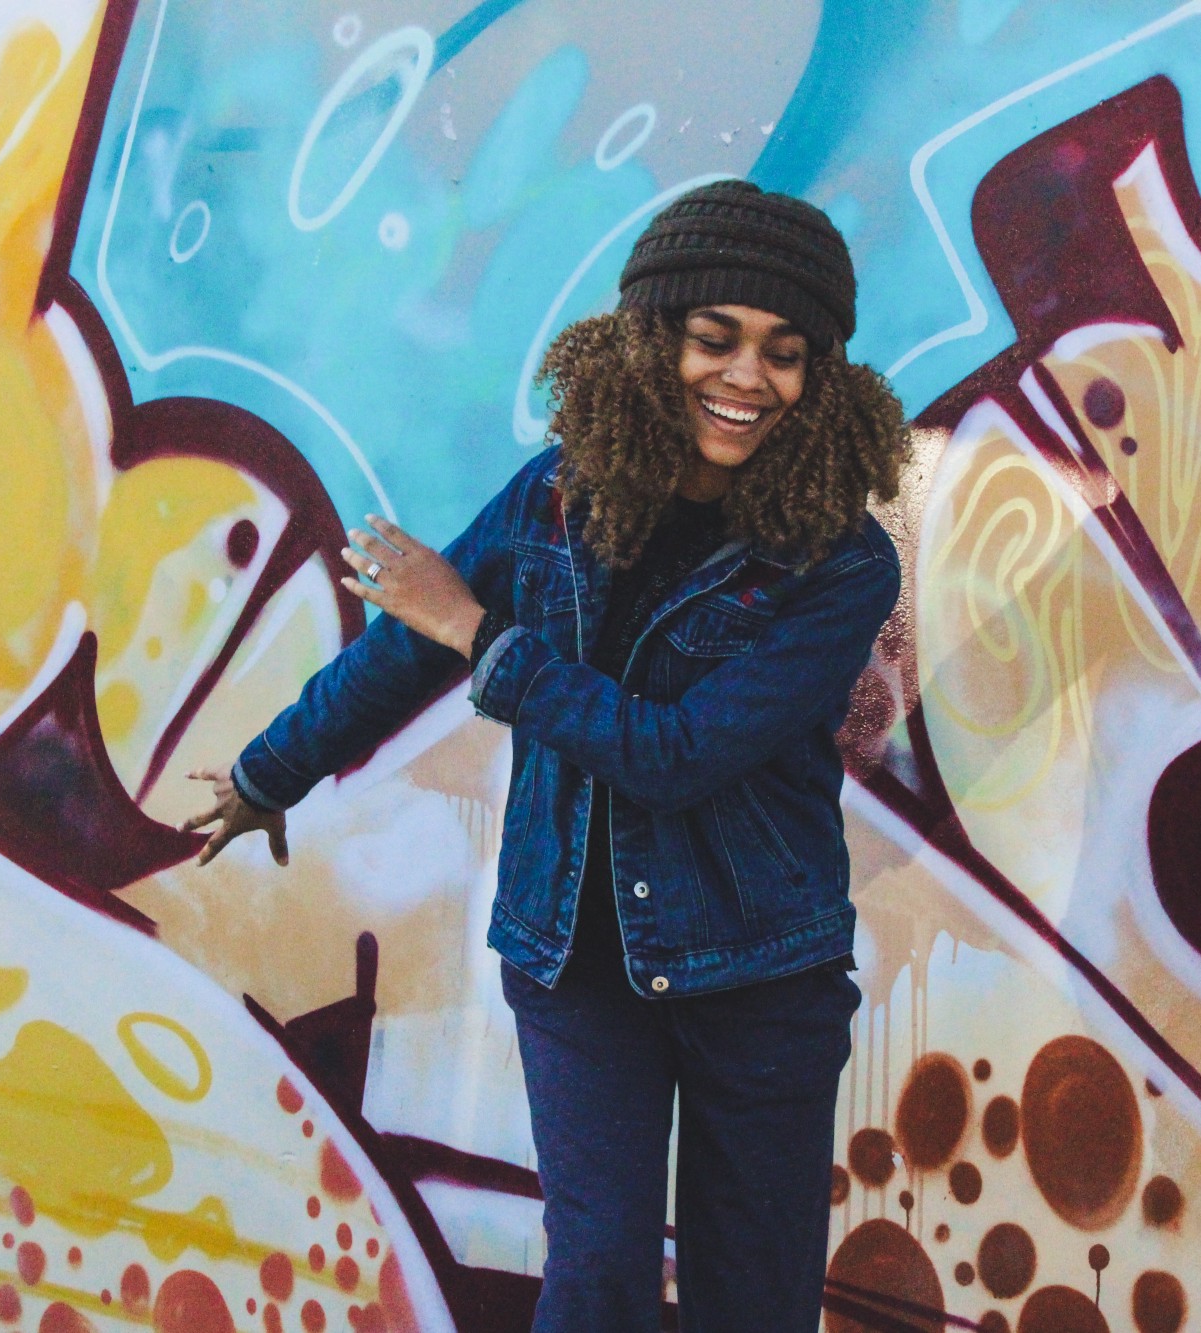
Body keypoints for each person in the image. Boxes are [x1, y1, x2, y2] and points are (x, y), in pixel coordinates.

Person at [185, 180, 910, 1332]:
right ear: (645, 341)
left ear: (821, 378)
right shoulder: (556, 497)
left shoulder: (839, 561)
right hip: (574, 954)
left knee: (751, 1302)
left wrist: (479, 633)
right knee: (598, 1284)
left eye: (784, 352)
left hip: (760, 967)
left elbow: (674, 754)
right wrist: (270, 773)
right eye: (711, 339)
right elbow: (403, 651)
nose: (745, 378)